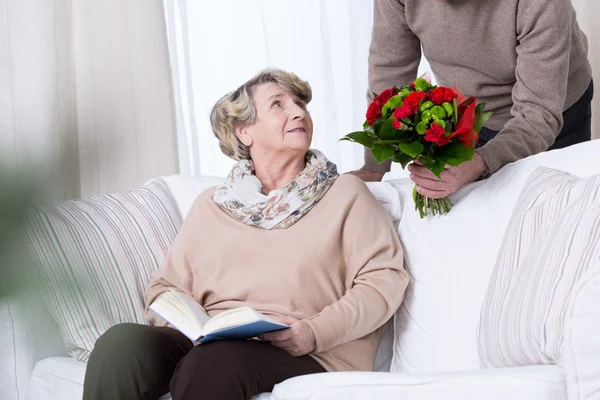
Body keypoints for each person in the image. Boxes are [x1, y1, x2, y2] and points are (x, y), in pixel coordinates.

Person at [82, 68, 408, 400]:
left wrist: (314, 332)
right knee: (121, 345)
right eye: (278, 105)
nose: (298, 112)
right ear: (244, 131)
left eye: (301, 105)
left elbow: (384, 280)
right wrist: (194, 326)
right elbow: (165, 288)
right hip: (211, 342)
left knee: (212, 364)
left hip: (305, 349)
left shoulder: (345, 193)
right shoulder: (214, 204)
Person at [352, 0, 594, 199]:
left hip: (555, 108)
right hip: (470, 114)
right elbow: (389, 74)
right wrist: (374, 167)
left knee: (558, 211)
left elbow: (537, 114)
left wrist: (482, 162)